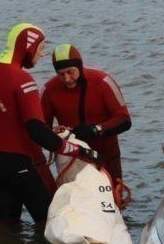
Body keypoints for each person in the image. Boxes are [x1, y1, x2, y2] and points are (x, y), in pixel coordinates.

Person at [0, 23, 97, 226]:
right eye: (40, 49)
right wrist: (77, 151)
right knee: (53, 226)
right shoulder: (23, 79)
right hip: (25, 164)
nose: (41, 55)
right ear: (29, 48)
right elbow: (36, 131)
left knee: (5, 233)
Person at [41, 44, 132, 187]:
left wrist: (95, 129)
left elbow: (124, 120)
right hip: (72, 159)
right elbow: (40, 130)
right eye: (61, 74)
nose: (67, 79)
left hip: (106, 155)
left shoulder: (103, 82)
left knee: (114, 199)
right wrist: (57, 134)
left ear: (80, 67)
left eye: (70, 72)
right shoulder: (48, 90)